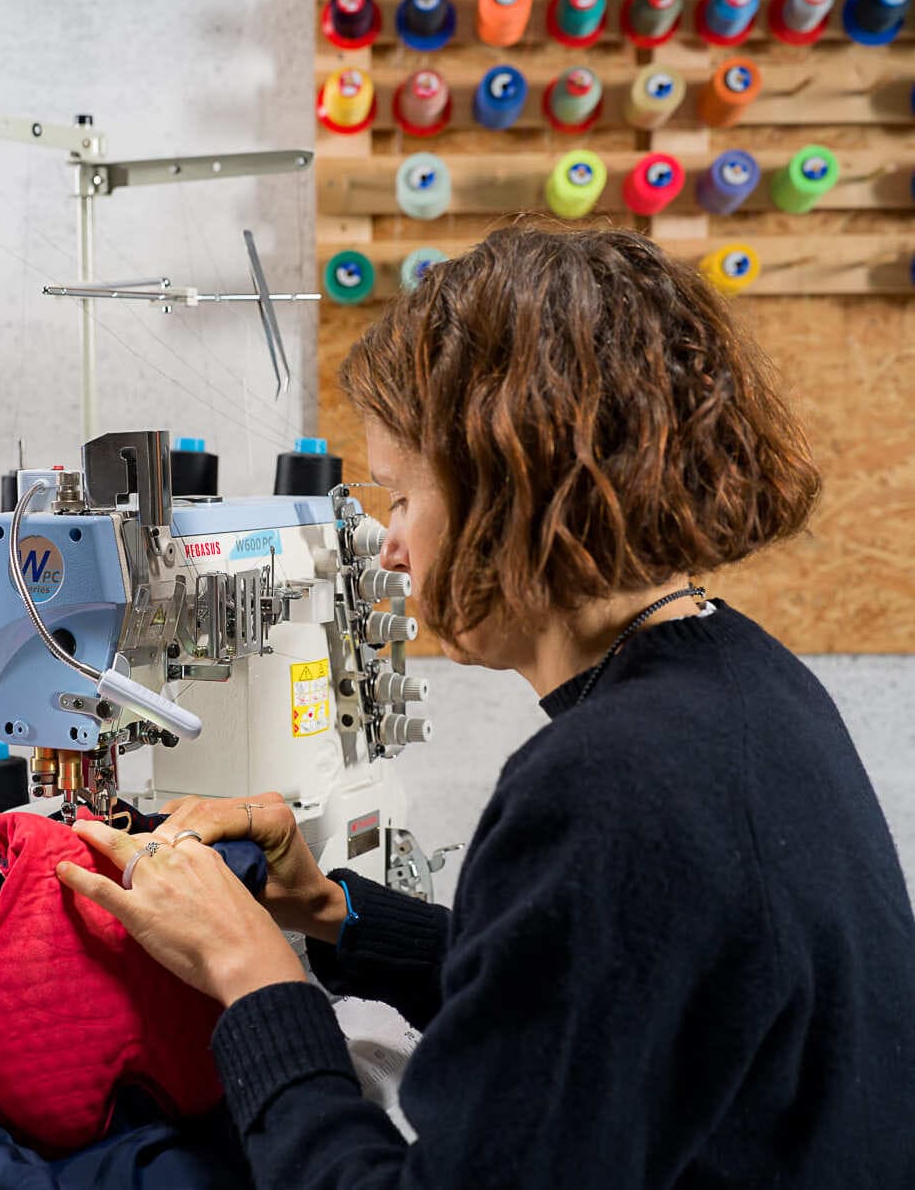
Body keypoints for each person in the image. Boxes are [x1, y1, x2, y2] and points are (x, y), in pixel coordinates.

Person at [56, 224, 915, 1188]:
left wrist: (253, 976)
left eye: (401, 498)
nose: (388, 547)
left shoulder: (611, 782)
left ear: (508, 494)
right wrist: (334, 913)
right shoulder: (742, 683)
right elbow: (593, 1001)